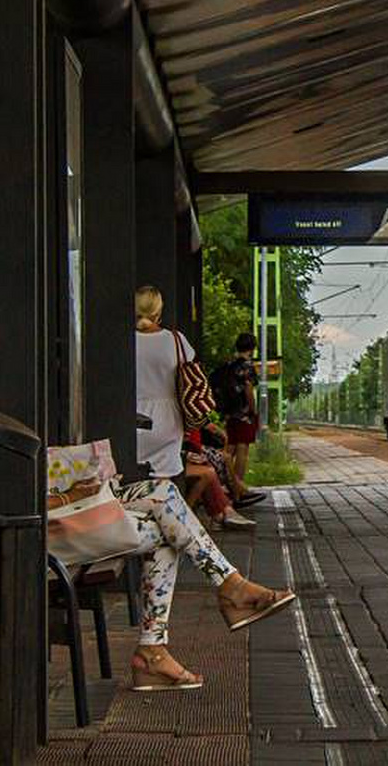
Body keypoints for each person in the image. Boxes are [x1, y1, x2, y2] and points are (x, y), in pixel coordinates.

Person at [129, 285, 295, 691]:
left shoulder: (117, 343)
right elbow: (193, 389)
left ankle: (154, 650)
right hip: (153, 442)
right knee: (165, 503)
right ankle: (229, 587)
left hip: (127, 440)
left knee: (163, 530)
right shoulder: (174, 341)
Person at [212, 333, 262, 492]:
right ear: (253, 348)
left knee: (230, 448)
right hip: (244, 414)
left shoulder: (228, 365)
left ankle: (221, 484)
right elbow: (248, 389)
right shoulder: (247, 366)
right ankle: (238, 486)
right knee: (242, 450)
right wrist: (253, 410)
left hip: (229, 413)